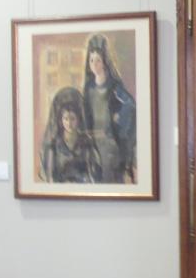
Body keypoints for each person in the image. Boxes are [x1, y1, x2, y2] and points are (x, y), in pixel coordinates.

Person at [82, 33, 136, 183]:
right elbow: (86, 113)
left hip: (111, 142)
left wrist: (119, 116)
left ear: (105, 62)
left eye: (98, 60)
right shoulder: (88, 88)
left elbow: (130, 104)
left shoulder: (114, 86)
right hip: (94, 142)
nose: (94, 64)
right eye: (91, 60)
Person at [40, 87, 103, 183]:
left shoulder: (87, 143)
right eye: (65, 119)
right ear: (61, 120)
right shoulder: (54, 145)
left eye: (72, 119)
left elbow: (94, 173)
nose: (69, 123)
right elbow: (51, 176)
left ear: (78, 120)